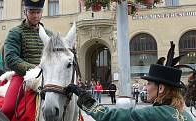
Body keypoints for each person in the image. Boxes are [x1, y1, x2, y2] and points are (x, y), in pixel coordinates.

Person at [65, 42, 193, 121]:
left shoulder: (154, 114)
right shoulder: (186, 116)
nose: (146, 87)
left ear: (161, 88)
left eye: (149, 83)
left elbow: (110, 116)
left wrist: (85, 98)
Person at [2, 0, 53, 119]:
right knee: (7, 109)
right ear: (25, 11)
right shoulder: (15, 32)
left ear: (42, 13)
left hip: (48, 77)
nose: (35, 15)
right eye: (31, 11)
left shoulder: (49, 34)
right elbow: (10, 59)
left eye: (38, 12)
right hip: (22, 76)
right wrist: (34, 69)